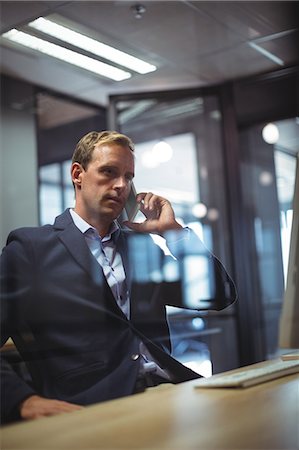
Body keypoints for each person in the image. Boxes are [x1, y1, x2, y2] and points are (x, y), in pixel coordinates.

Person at [1, 131, 237, 423]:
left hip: (169, 392)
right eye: (109, 172)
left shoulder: (140, 246)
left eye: (128, 176)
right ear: (78, 174)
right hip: (91, 409)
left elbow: (220, 294)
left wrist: (174, 233)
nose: (121, 185)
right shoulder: (31, 249)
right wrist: (22, 401)